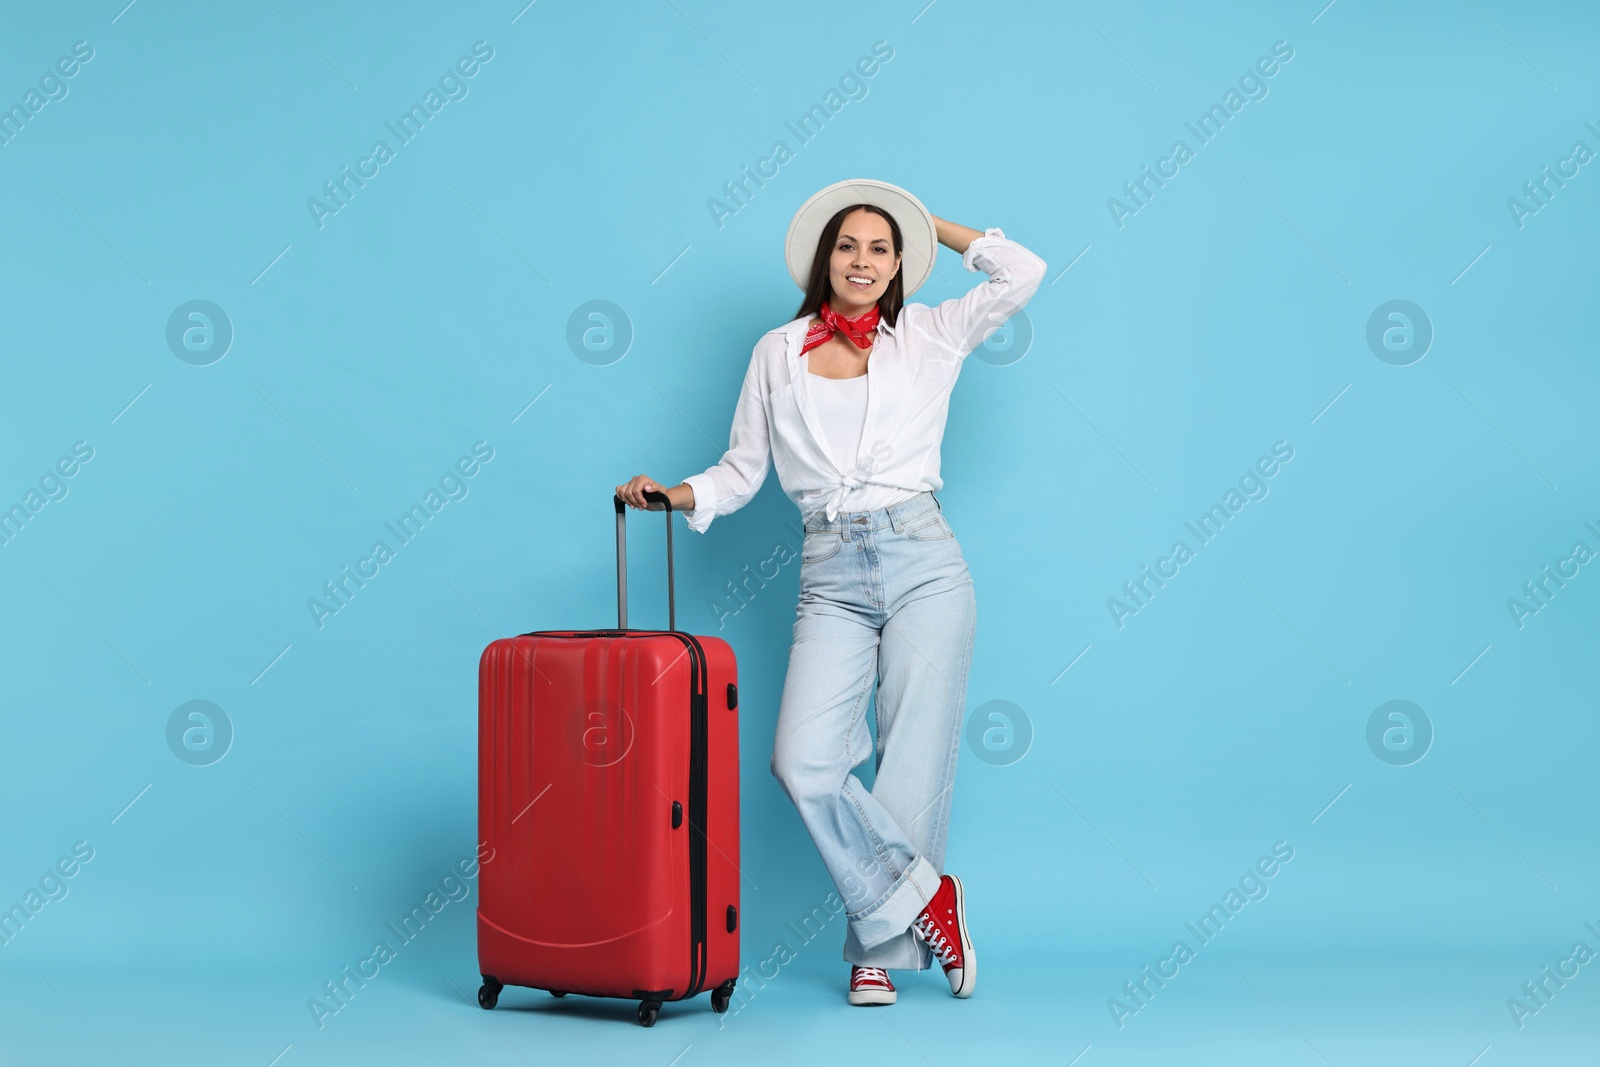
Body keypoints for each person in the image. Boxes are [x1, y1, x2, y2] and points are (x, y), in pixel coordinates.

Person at [615, 178, 1046, 1007]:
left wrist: (931, 225)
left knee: (910, 756)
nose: (862, 259)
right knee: (804, 761)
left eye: (882, 248)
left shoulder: (931, 333)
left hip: (925, 557)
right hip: (831, 572)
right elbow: (743, 471)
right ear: (824, 258)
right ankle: (929, 896)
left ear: (899, 267)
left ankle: (876, 951)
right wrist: (675, 495)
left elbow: (1021, 272)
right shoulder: (776, 353)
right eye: (848, 244)